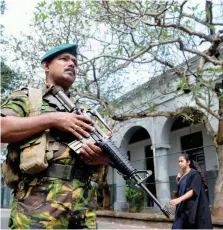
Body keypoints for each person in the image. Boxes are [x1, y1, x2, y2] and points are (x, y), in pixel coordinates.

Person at [1, 44, 110, 229]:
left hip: (83, 205)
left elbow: (103, 155)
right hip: (38, 204)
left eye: (75, 62)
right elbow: (2, 129)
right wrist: (54, 119)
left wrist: (102, 157)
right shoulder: (29, 98)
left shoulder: (86, 112)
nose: (72, 64)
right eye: (64, 59)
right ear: (46, 66)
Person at [169, 154, 212, 229]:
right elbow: (182, 190)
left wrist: (179, 200)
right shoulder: (181, 175)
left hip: (193, 208)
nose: (179, 163)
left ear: (188, 162)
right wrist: (177, 180)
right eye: (178, 161)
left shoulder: (194, 174)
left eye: (181, 161)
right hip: (183, 207)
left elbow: (192, 191)